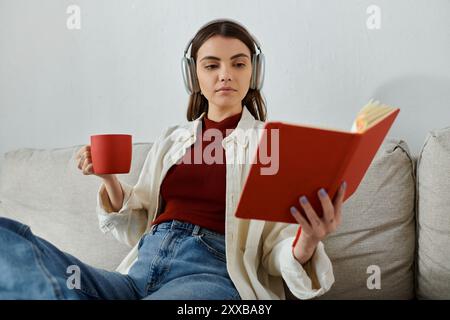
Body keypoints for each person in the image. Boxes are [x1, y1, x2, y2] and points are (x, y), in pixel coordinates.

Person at [0, 18, 346, 300]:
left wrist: (308, 241)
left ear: (254, 73)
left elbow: (274, 253)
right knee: (10, 241)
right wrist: (107, 179)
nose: (225, 74)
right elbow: (136, 222)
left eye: (238, 63)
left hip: (209, 276)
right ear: (193, 76)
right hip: (138, 271)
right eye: (211, 65)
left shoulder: (273, 146)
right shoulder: (172, 139)